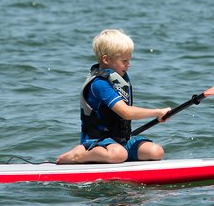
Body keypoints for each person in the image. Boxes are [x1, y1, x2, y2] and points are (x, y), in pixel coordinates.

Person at [56, 29, 172, 165]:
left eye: (129, 60)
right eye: (124, 60)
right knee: (119, 154)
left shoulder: (119, 79)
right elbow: (126, 112)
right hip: (97, 141)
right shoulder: (99, 84)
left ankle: (116, 154)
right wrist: (157, 112)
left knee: (156, 152)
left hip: (122, 140)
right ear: (106, 59)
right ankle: (78, 155)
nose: (128, 64)